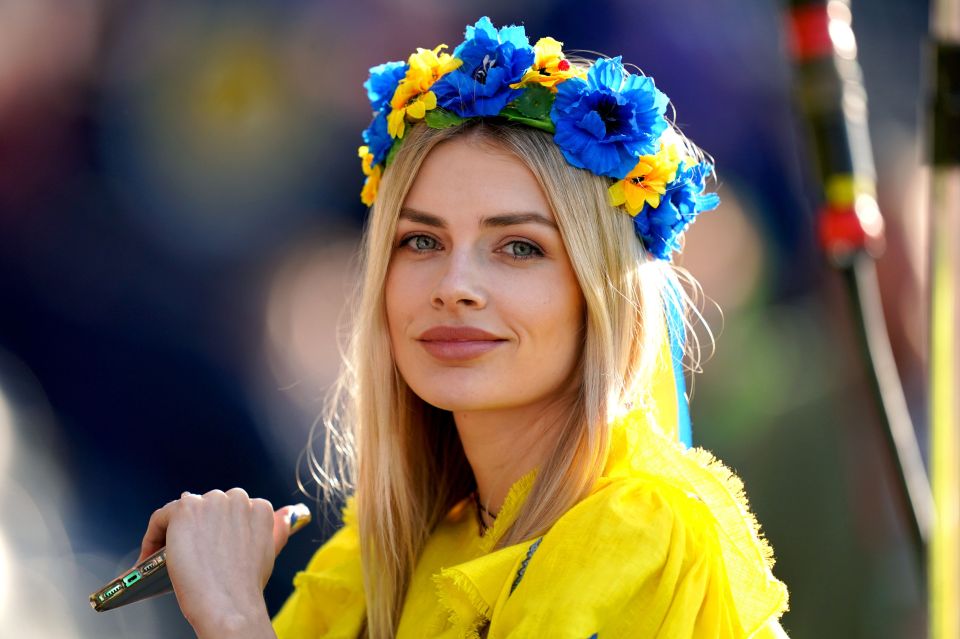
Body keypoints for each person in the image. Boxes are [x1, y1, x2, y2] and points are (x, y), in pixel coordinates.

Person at [137, 17, 790, 638]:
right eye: (421, 241)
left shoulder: (642, 536)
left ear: (603, 295)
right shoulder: (381, 553)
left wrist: (232, 617)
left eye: (519, 248)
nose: (454, 286)